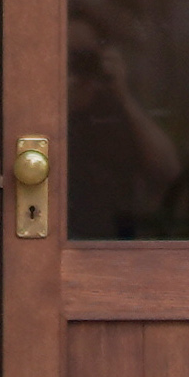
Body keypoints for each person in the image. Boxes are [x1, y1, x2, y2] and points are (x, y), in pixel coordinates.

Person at [66, 15, 181, 239]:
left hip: (119, 235)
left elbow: (169, 169)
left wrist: (124, 96)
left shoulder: (115, 105)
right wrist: (62, 107)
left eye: (87, 55)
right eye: (71, 56)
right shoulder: (42, 108)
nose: (80, 65)